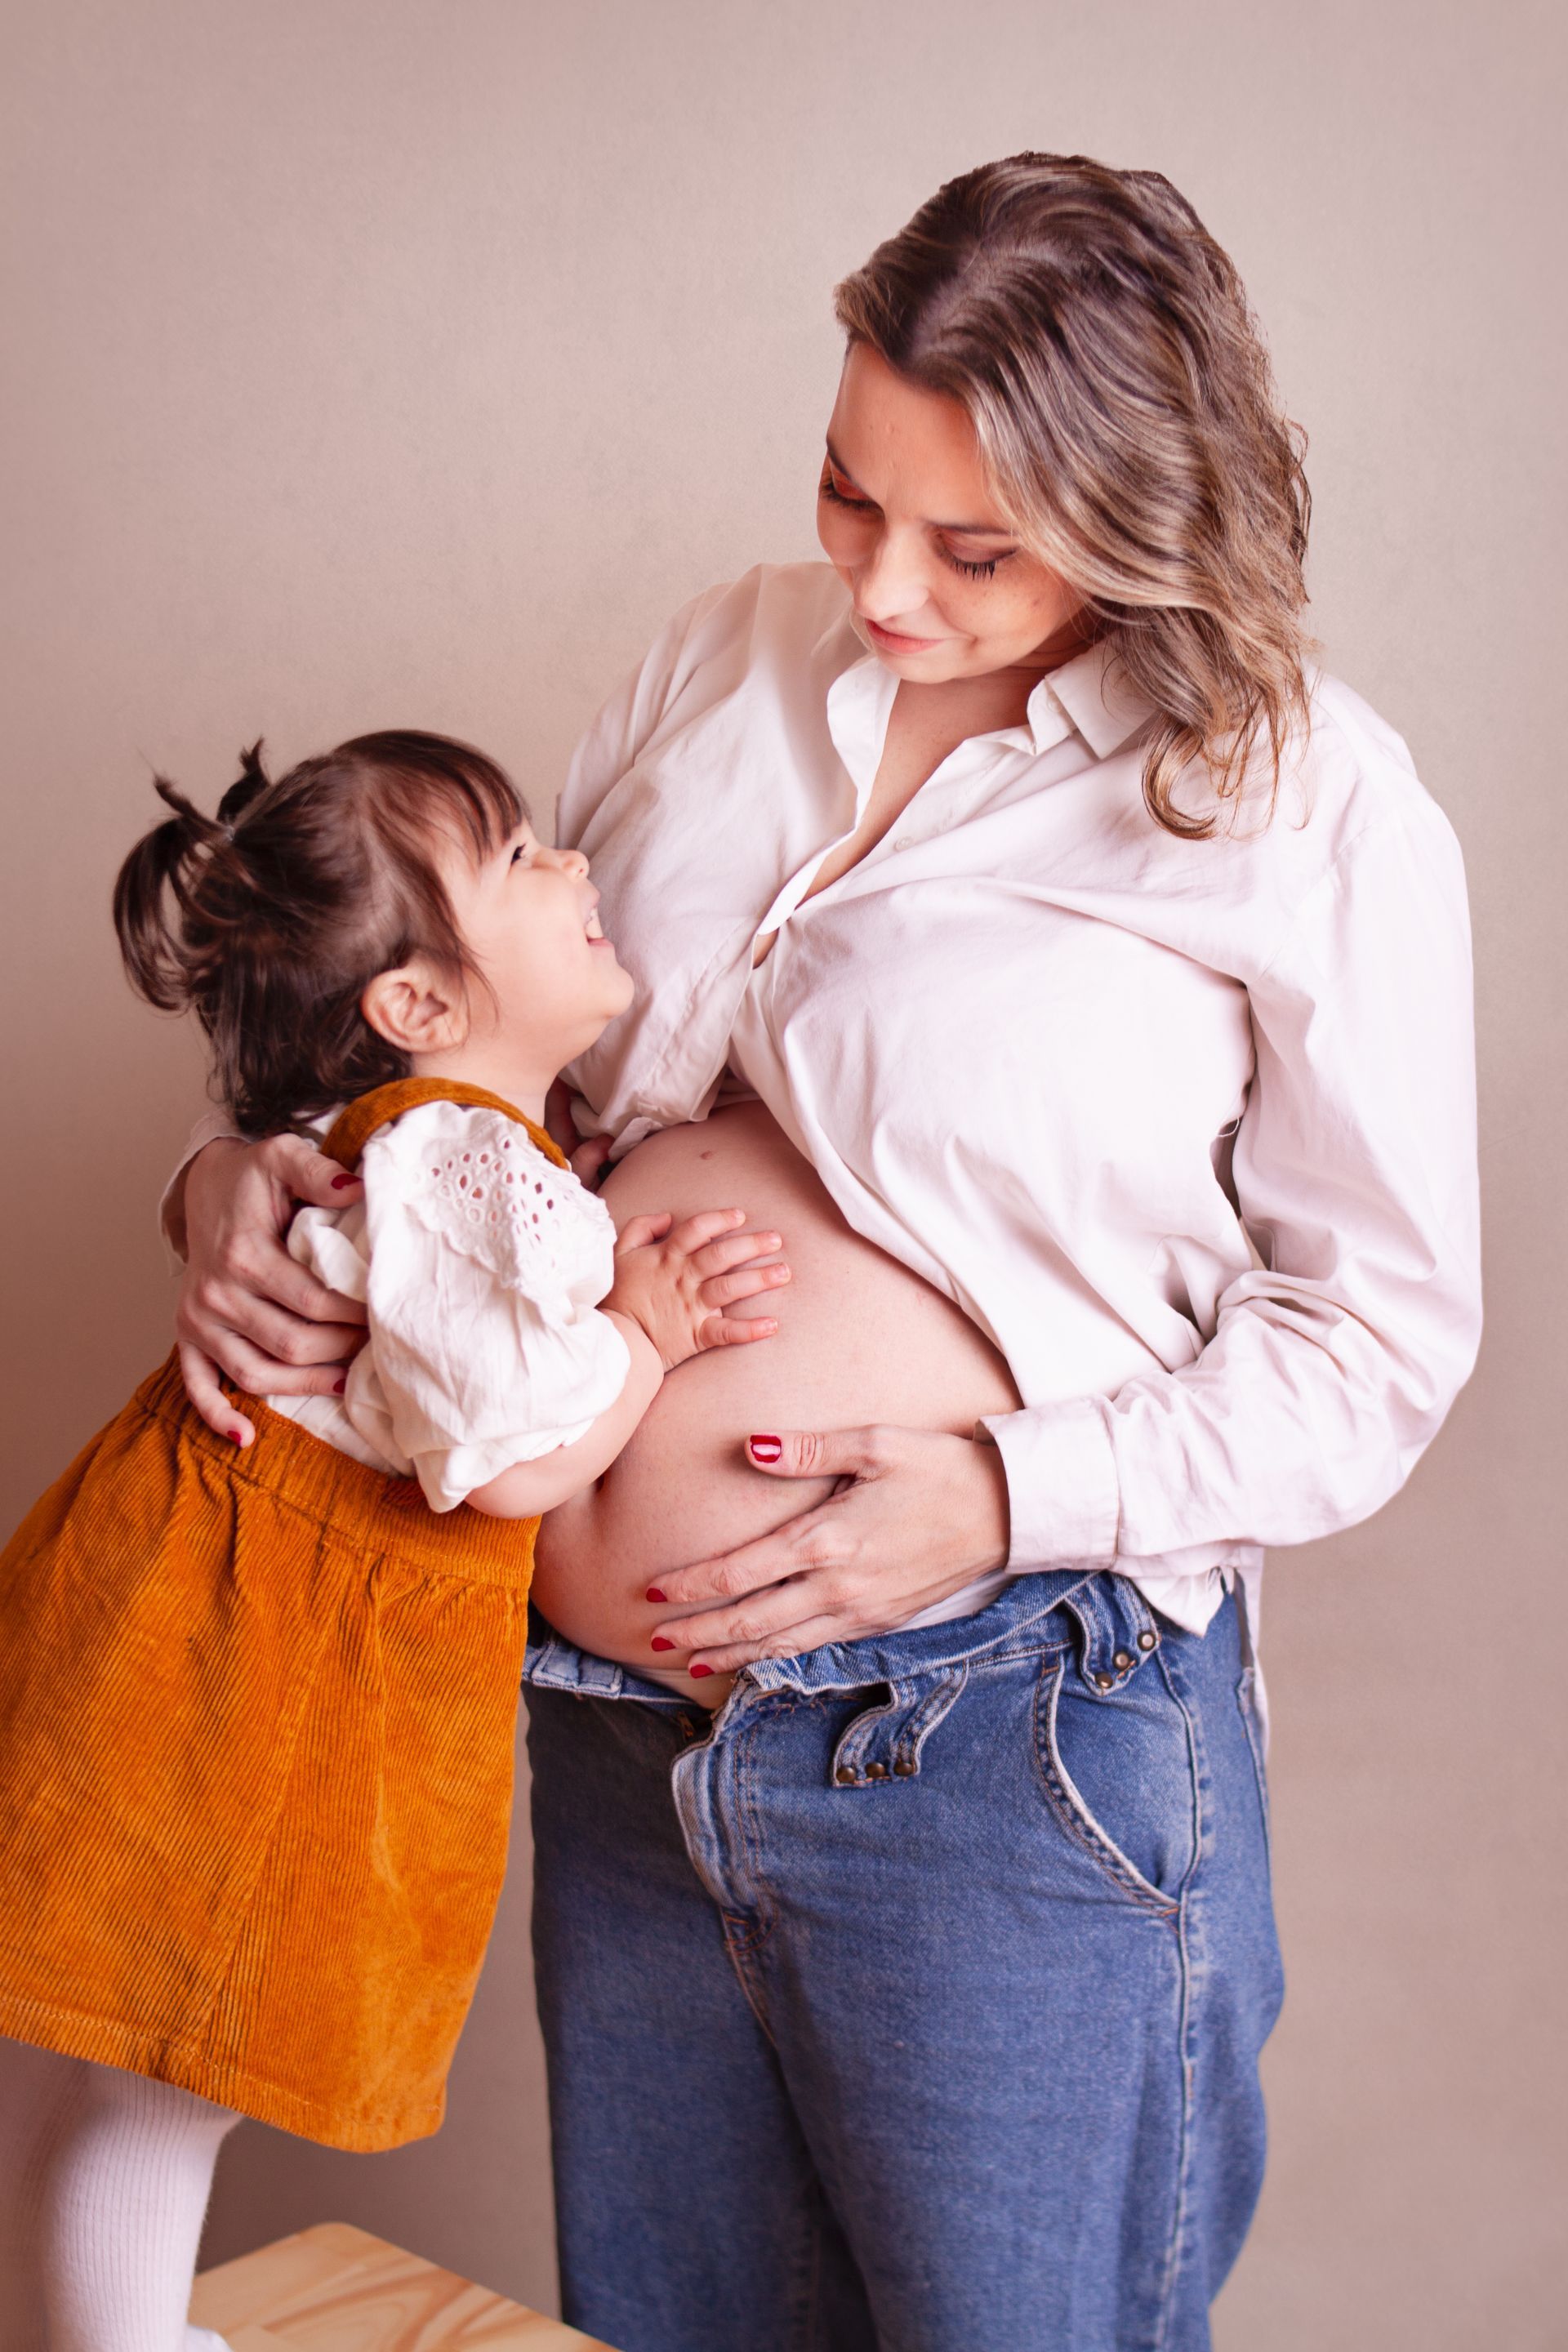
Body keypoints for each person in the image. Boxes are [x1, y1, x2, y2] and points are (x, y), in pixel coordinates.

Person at [168, 156, 1482, 2352]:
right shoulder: (725, 657)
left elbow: (1376, 1345)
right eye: (851, 493)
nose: (880, 585)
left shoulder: (1302, 802)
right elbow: (483, 1050)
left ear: (1144, 506)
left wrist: (992, 1494)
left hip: (998, 1732)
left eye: (975, 546)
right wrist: (252, 1174)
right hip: (615, 1738)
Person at [0, 730, 786, 2350]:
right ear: (418, 1005)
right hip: (264, 1676)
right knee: (165, 2074)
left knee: (92, 2044)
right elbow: (510, 1462)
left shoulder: (429, 1146)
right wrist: (643, 1331)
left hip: (195, 1632)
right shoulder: (465, 1158)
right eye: (519, 859)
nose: (573, 862)